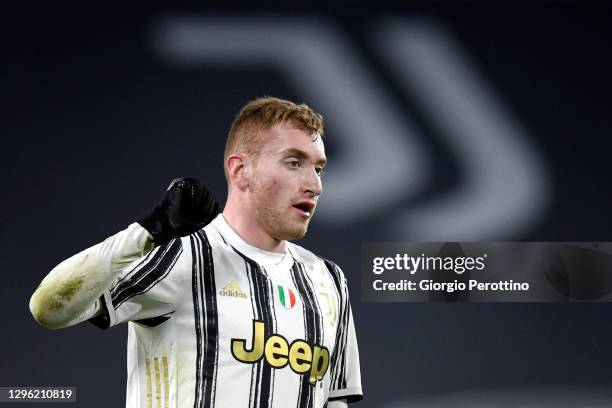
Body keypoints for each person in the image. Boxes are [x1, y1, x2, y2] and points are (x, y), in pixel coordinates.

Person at [29, 96, 363, 408]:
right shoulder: (179, 253)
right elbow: (48, 308)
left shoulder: (329, 281)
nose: (315, 185)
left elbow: (334, 401)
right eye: (294, 163)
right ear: (240, 170)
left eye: (318, 168)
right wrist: (149, 230)